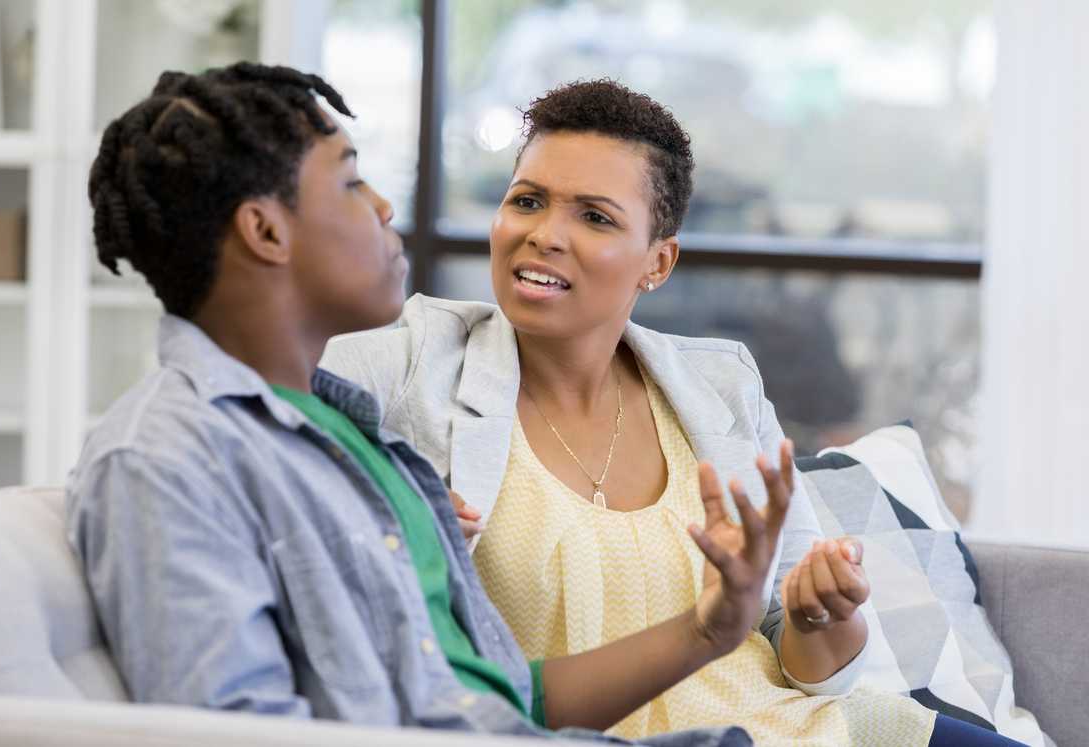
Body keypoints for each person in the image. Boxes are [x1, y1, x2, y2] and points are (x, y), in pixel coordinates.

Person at [64, 62, 799, 746]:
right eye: (351, 185)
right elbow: (234, 732)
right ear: (266, 230)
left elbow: (498, 703)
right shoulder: (165, 459)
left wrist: (709, 629)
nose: (385, 205)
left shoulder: (348, 438)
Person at [321, 80, 1027, 747]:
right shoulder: (415, 362)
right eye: (528, 200)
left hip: (803, 728)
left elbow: (804, 661)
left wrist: (823, 615)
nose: (544, 233)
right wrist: (376, 511)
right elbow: (254, 402)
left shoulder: (720, 384)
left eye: (594, 216)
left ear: (657, 262)